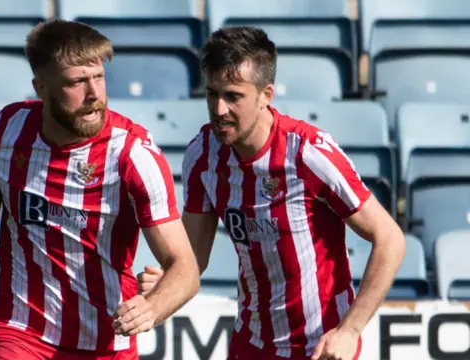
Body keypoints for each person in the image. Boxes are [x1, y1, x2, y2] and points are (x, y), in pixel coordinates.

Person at [0, 19, 200, 359]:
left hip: (107, 343)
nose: (94, 94)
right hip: (19, 330)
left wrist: (153, 306)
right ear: (41, 87)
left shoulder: (133, 156)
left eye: (99, 77)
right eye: (77, 82)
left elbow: (185, 267)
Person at [137, 26, 406, 360]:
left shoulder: (307, 152)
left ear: (266, 94)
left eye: (233, 96)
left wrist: (350, 330)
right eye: (212, 94)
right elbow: (193, 257)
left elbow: (390, 238)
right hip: (251, 343)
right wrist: (168, 277)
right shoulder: (203, 155)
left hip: (321, 346)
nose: (219, 109)